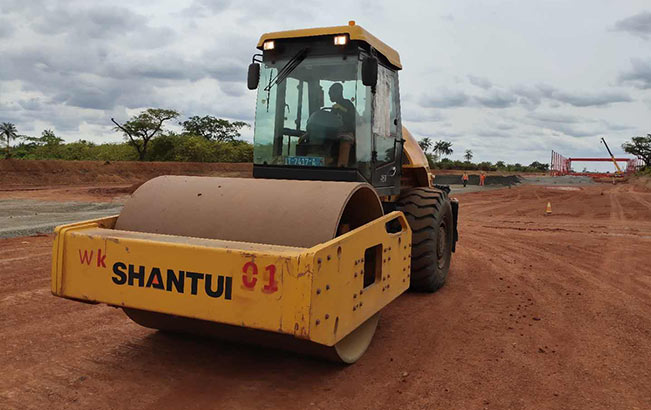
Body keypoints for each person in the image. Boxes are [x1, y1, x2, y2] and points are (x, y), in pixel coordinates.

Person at [328, 83, 356, 167]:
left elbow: (353, 116)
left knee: (345, 140)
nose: (330, 95)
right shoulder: (334, 108)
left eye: (331, 93)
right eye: (329, 93)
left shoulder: (347, 103)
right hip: (334, 133)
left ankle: (342, 166)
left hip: (346, 132)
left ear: (338, 92)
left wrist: (341, 108)